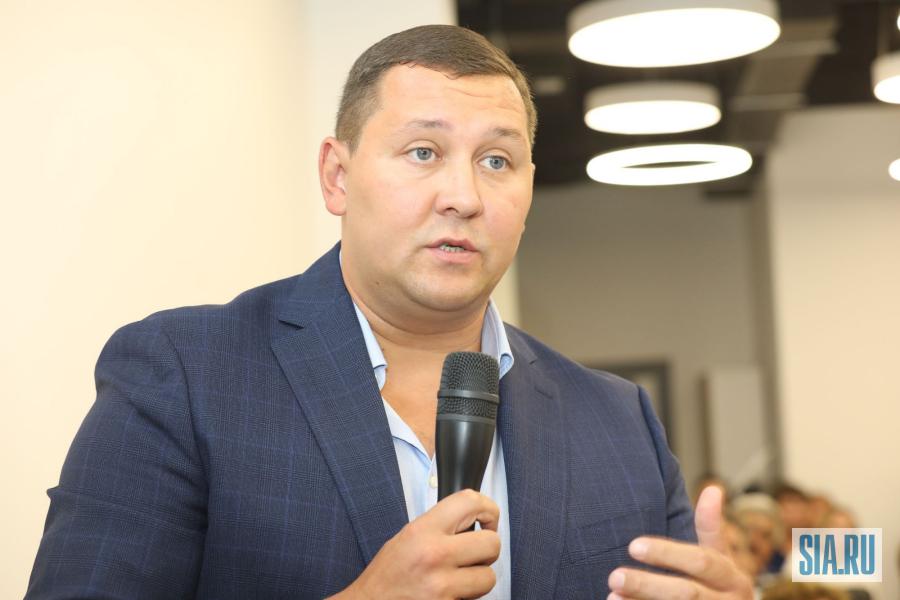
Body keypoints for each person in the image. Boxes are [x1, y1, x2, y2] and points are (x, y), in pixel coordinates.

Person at [27, 24, 753, 599]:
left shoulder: (618, 420)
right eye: (423, 152)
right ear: (337, 176)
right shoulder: (184, 375)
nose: (463, 197)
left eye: (496, 161)